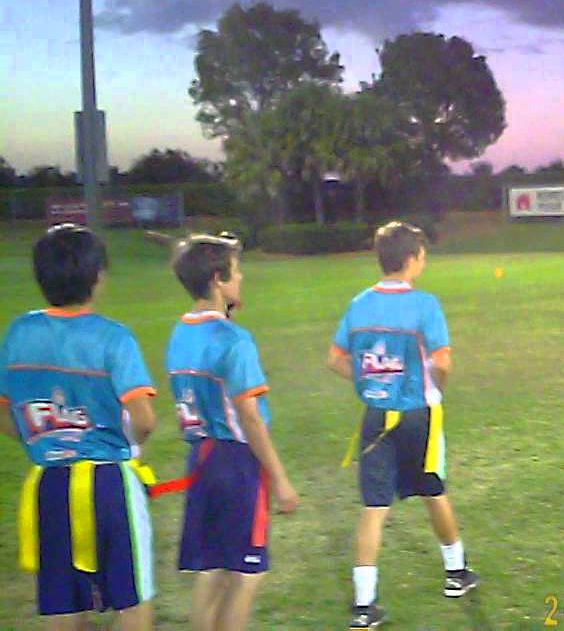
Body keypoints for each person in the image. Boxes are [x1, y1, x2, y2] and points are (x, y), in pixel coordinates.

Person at [0, 224, 158, 630]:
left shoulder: (18, 334)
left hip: (49, 484)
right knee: (132, 600)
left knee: (64, 604)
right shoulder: (113, 338)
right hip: (108, 483)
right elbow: (144, 419)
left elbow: (4, 412)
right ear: (97, 277)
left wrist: (44, 440)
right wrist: (131, 447)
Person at [326, 221, 477, 630]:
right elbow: (442, 362)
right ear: (412, 259)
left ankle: (364, 605)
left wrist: (368, 382)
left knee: (374, 508)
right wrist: (435, 389)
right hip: (416, 414)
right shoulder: (424, 305)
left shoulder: (359, 304)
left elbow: (335, 359)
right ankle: (456, 572)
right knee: (433, 490)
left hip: (376, 415)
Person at [166, 234, 299, 630]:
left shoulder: (180, 332)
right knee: (245, 575)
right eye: (236, 272)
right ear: (217, 280)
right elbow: (250, 418)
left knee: (213, 572)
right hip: (236, 463)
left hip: (201, 458)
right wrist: (280, 479)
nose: (241, 279)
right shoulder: (233, 340)